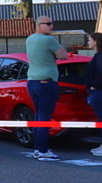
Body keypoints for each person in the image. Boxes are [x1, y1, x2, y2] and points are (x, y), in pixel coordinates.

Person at [25, 15, 69, 160]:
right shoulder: (48, 40)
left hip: (33, 82)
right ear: (39, 25)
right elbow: (64, 56)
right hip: (46, 83)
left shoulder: (30, 39)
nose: (52, 26)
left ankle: (38, 148)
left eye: (52, 23)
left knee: (38, 116)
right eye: (48, 24)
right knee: (44, 117)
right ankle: (43, 150)